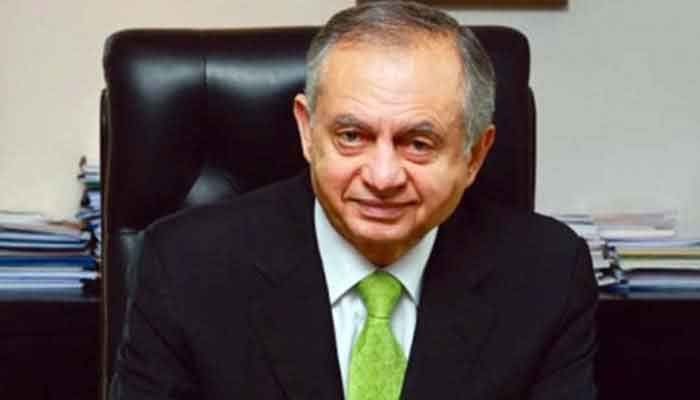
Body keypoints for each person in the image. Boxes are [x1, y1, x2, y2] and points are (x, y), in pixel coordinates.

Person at [110, 1, 597, 399]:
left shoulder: (548, 275)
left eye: (418, 143)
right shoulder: (186, 267)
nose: (382, 177)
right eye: (351, 136)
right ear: (307, 131)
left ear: (474, 154)